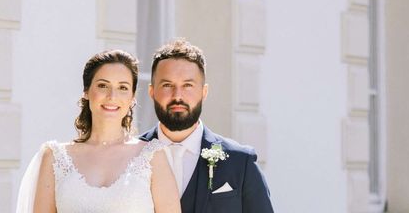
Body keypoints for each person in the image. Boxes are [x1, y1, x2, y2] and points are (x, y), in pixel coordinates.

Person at [15, 49, 181, 213]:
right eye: (103, 85)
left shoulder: (153, 156)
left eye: (123, 88)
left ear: (132, 98)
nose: (112, 96)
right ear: (86, 91)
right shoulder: (54, 157)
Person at [140, 39, 274, 212]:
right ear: (152, 91)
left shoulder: (241, 162)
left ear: (204, 92)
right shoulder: (129, 156)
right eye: (167, 85)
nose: (177, 95)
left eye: (188, 85)